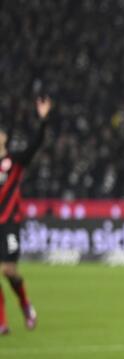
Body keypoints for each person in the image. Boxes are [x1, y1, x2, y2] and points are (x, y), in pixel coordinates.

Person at [0, 97, 52, 336]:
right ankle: (2, 322)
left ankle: (25, 304)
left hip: (10, 223)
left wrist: (42, 120)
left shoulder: (14, 161)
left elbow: (35, 145)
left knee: (9, 271)